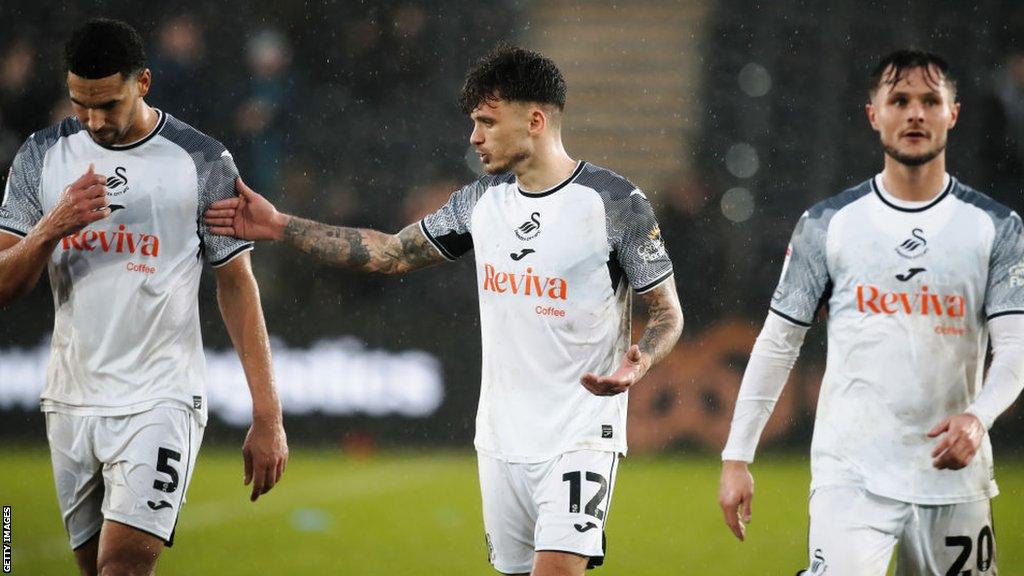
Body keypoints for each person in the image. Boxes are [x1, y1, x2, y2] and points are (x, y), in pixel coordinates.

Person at [204, 44, 684, 576]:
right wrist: (278, 225)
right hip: (499, 439)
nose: (474, 137)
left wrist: (638, 363)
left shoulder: (614, 202)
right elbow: (390, 252)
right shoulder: (481, 202)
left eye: (486, 122)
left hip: (580, 436)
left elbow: (666, 312)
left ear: (536, 121)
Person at [717, 50, 1024, 575]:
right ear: (873, 114)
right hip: (851, 476)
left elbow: (1017, 348)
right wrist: (736, 456)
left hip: (954, 478)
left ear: (953, 113)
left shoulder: (996, 227)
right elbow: (778, 342)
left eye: (930, 100)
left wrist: (978, 418)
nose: (915, 113)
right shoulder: (828, 224)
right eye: (899, 100)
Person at [0, 19, 289, 575]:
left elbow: (236, 283)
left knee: (123, 568)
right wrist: (48, 229)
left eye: (109, 104)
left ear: (144, 82)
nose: (95, 122)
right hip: (70, 398)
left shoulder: (202, 162)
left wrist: (268, 413)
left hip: (162, 396)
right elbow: (5, 286)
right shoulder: (41, 156)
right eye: (82, 105)